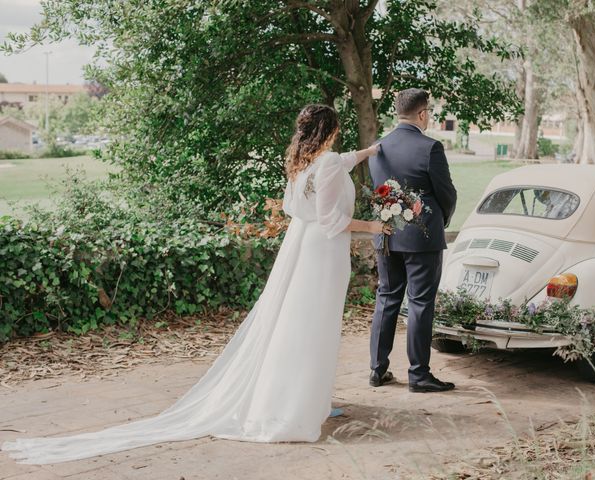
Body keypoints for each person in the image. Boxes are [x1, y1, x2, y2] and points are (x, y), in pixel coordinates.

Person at [2, 104, 389, 465]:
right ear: (331, 131)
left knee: (296, 325)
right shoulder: (327, 167)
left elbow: (336, 165)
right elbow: (331, 221)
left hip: (301, 248)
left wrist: (368, 151)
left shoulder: (306, 161)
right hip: (321, 254)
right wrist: (374, 226)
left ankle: (308, 398)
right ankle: (297, 405)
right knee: (312, 327)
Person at [368, 88, 457, 393]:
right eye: (429, 111)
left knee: (386, 299)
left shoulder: (377, 147)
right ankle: (418, 375)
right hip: (422, 238)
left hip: (386, 236)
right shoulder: (430, 147)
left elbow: (379, 191)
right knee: (420, 304)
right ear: (422, 114)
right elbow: (447, 194)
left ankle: (377, 370)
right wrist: (441, 220)